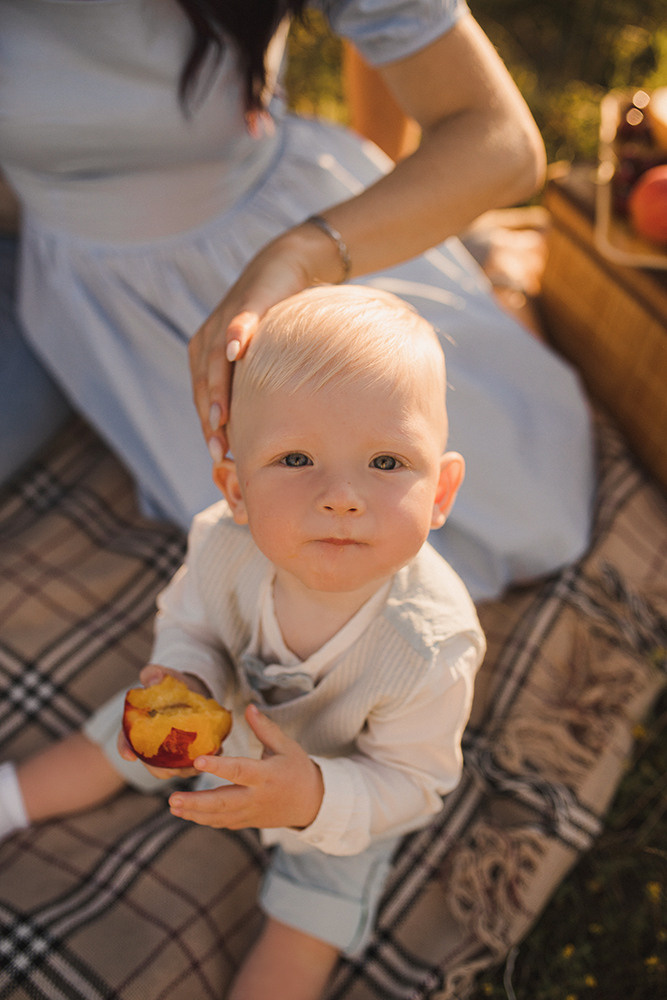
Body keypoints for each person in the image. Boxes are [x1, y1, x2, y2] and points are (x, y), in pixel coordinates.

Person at [0, 0, 594, 603]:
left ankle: (490, 282)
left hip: (278, 229)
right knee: (288, 564)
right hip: (97, 293)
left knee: (527, 508)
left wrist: (313, 250)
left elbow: (504, 144)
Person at [1, 286, 487, 1000]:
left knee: (302, 933)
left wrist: (314, 796)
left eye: (385, 463)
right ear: (235, 488)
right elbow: (190, 621)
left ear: (440, 492)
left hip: (335, 790)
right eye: (296, 460)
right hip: (216, 723)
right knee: (109, 742)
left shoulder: (430, 645)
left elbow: (412, 785)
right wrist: (184, 680)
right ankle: (13, 799)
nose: (341, 495)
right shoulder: (224, 545)